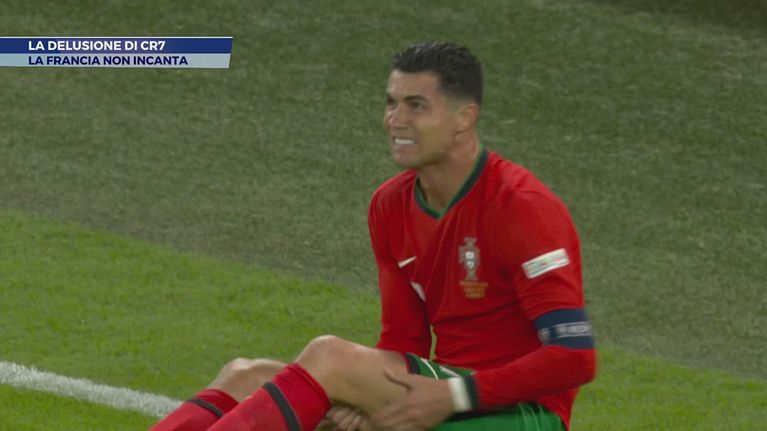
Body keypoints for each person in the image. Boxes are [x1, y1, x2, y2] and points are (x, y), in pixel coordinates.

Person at [150, 40, 597, 431]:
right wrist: (359, 400)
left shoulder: (521, 206)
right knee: (245, 375)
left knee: (329, 358)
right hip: (436, 390)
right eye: (391, 103)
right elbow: (403, 342)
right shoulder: (390, 205)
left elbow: (574, 356)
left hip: (519, 414)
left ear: (465, 117)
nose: (395, 120)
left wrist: (452, 396)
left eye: (416, 105)